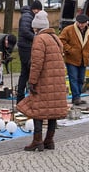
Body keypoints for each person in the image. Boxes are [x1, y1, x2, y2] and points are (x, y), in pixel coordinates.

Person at [17, 10, 68, 151]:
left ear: (36, 27)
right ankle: (49, 141)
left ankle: (37, 141)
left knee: (37, 110)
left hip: (44, 80)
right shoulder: (55, 38)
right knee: (53, 111)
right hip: (57, 80)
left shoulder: (39, 39)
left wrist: (32, 81)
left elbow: (37, 63)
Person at [58, 13, 89, 106]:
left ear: (87, 23)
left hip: (84, 59)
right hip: (71, 59)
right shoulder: (68, 30)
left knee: (81, 79)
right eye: (79, 23)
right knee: (73, 78)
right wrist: (70, 50)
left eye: (83, 23)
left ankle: (77, 97)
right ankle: (76, 97)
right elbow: (61, 40)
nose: (80, 25)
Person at [16, 0, 42, 101]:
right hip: (26, 48)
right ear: (35, 9)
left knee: (25, 73)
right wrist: (37, 38)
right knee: (27, 72)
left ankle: (21, 97)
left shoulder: (28, 16)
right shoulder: (27, 16)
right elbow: (25, 31)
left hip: (25, 47)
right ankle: (23, 97)